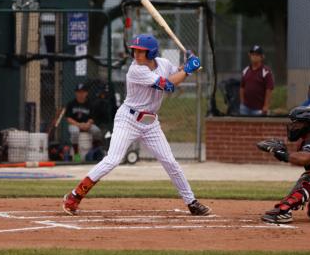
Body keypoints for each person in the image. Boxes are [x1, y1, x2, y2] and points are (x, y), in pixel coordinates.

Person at [62, 34, 211, 216]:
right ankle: (74, 196)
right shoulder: (136, 70)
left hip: (151, 123)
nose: (137, 54)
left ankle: (192, 202)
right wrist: (189, 69)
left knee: (170, 162)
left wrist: (189, 63)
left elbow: (174, 73)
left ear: (152, 53)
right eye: (135, 50)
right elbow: (168, 85)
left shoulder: (162, 63)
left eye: (142, 51)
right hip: (128, 120)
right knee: (113, 159)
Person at [65, 83, 102, 162]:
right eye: (79, 92)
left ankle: (94, 151)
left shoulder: (90, 104)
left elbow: (92, 118)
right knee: (75, 132)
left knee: (97, 131)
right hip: (75, 124)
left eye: (83, 92)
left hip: (87, 125)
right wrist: (78, 124)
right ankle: (76, 154)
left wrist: (88, 124)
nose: (81, 94)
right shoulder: (71, 104)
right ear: (75, 93)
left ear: (86, 93)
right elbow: (68, 118)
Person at [239, 45, 274, 116]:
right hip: (245, 108)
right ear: (249, 56)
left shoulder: (266, 71)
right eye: (252, 54)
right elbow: (242, 87)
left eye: (257, 55)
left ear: (262, 57)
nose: (254, 56)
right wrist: (242, 103)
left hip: (259, 109)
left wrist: (266, 106)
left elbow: (269, 89)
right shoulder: (246, 70)